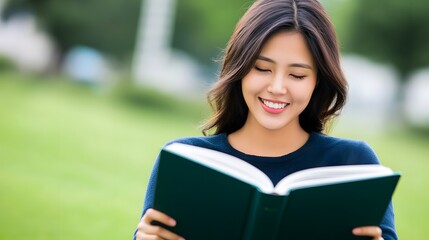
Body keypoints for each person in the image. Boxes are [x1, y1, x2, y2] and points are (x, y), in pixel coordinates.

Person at [133, 0, 397, 239]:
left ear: (318, 81)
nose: (277, 87)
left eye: (297, 75)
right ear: (240, 68)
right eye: (262, 68)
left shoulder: (355, 165)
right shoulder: (184, 160)